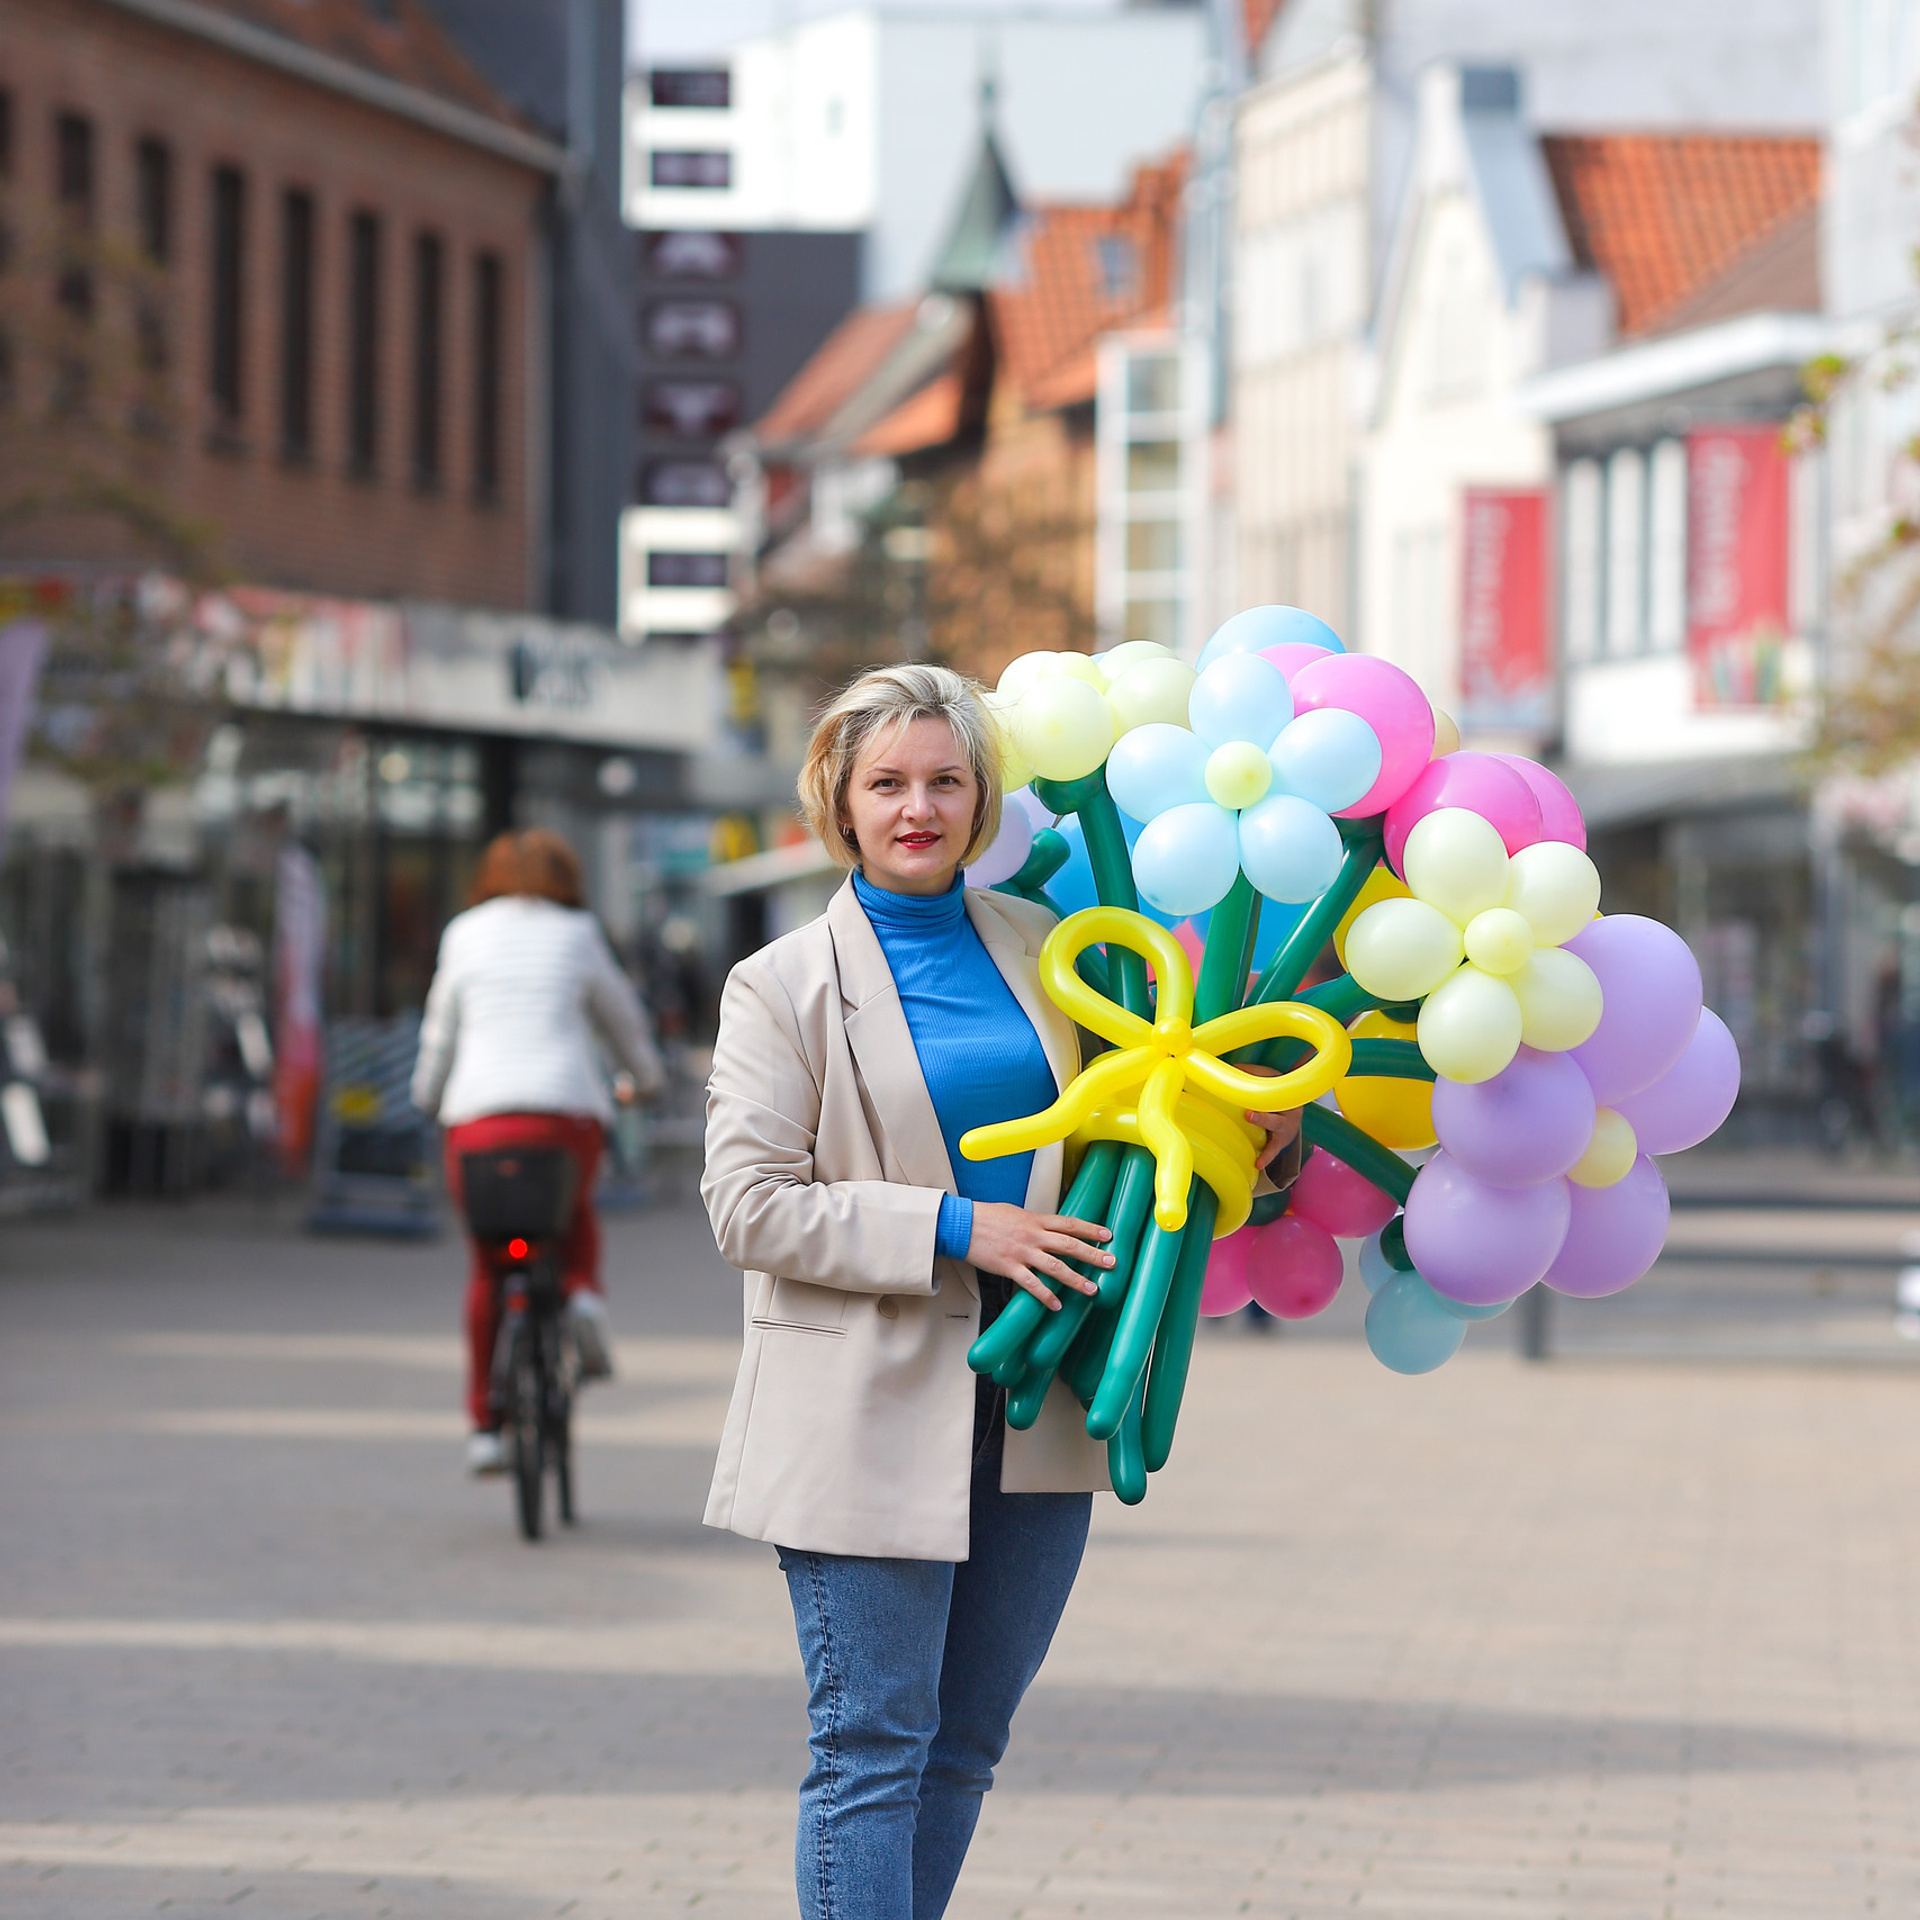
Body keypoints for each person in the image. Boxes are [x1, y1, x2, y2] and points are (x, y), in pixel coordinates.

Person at [700, 664, 1295, 1920]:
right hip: (861, 1403)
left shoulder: (1057, 948)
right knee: (872, 1749)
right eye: (888, 784)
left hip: (1041, 1408)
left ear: (980, 802)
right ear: (841, 802)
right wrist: (961, 1227)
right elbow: (747, 1205)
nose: (918, 807)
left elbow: (1136, 1129)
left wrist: (1257, 1139)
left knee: (964, 1750)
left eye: (945, 781)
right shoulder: (782, 984)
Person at [412, 828, 664, 1476]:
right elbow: (624, 1020)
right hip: (564, 1116)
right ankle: (581, 1296)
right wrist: (647, 1079)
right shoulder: (577, 933)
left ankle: (484, 1428)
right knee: (572, 1215)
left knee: (489, 1266)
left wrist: (425, 1094)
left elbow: (441, 1031)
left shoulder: (463, 934)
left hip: (480, 1119)